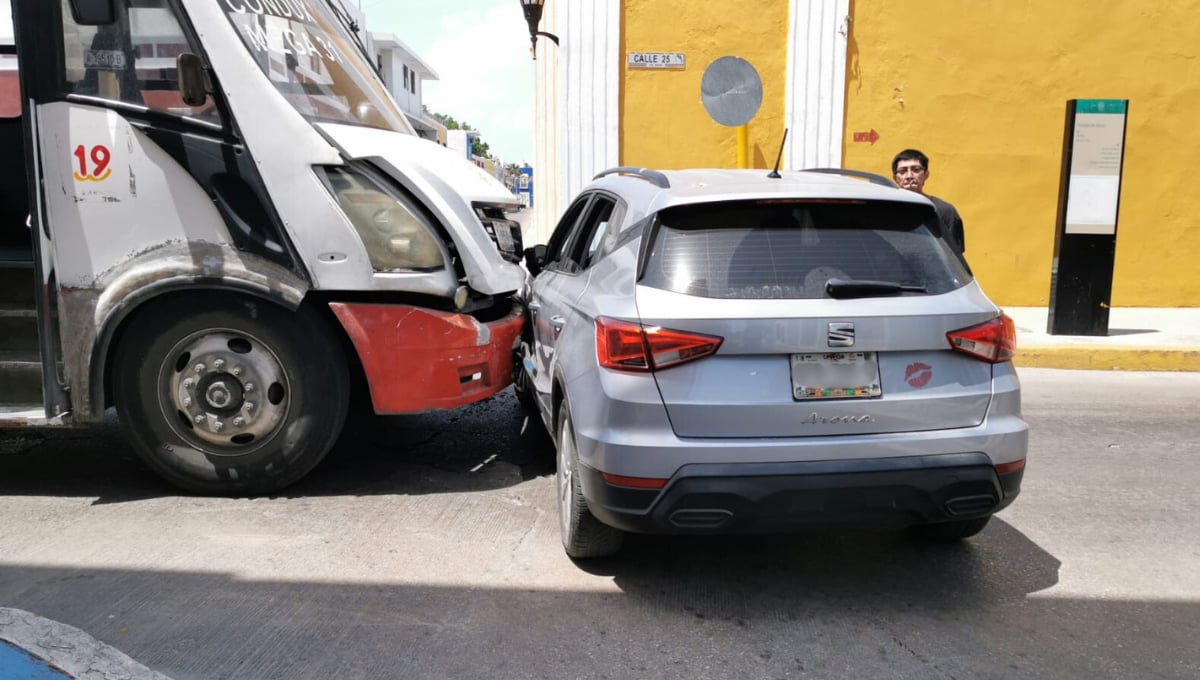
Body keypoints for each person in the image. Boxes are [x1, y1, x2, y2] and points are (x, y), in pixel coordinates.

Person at [891, 149, 965, 256]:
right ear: (895, 178)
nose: (909, 176)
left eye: (916, 170)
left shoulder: (943, 210)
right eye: (903, 171)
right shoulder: (887, 210)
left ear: (926, 174)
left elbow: (955, 257)